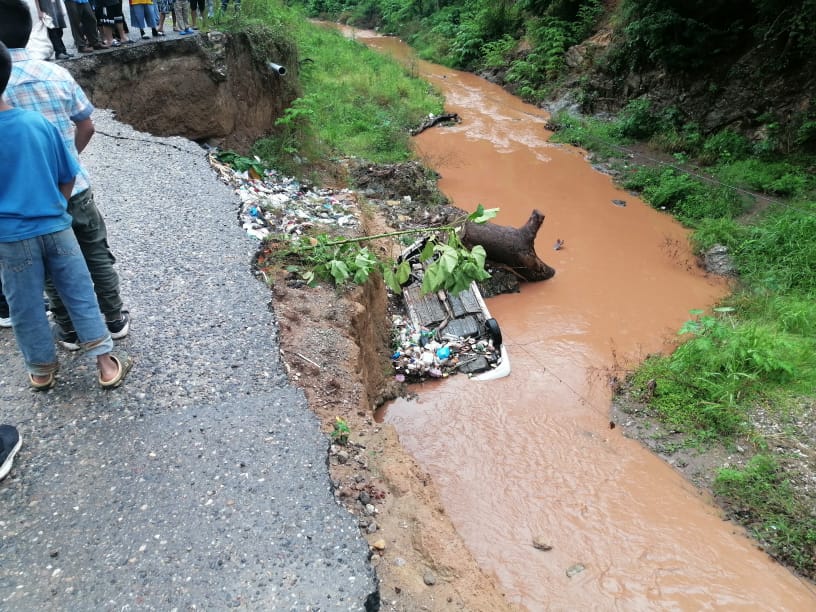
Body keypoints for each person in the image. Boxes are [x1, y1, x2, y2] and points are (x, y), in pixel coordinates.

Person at [0, 40, 133, 390]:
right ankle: (105, 365)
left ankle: (42, 371)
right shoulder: (35, 124)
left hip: (12, 238)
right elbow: (68, 172)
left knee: (25, 305)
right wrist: (57, 208)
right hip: (57, 226)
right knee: (79, 292)